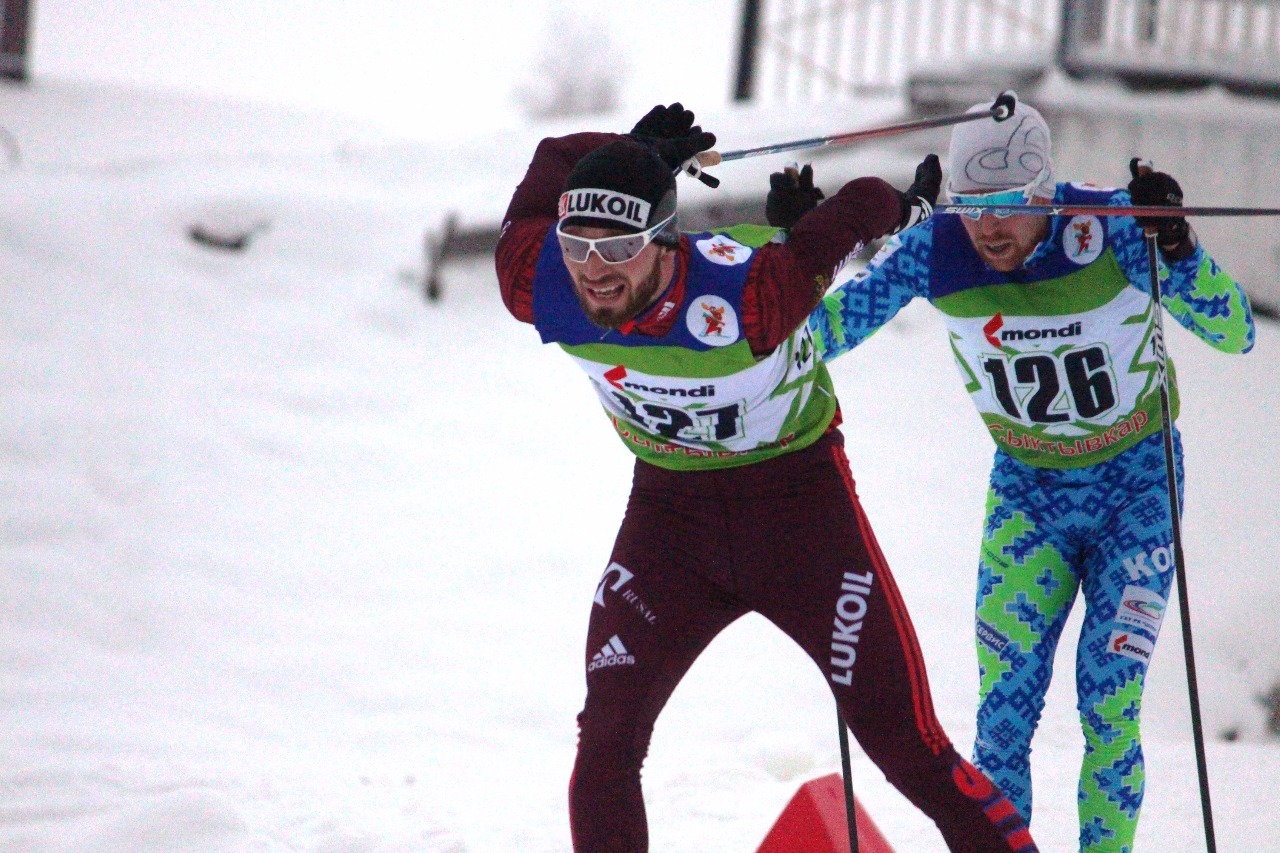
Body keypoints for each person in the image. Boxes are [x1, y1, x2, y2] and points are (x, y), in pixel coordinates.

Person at [495, 102, 1039, 853]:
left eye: (618, 247)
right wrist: (632, 151)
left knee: (906, 744)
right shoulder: (539, 281)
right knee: (608, 738)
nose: (594, 270)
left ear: (663, 241)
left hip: (798, 516)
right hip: (669, 523)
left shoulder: (752, 292)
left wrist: (907, 208)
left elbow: (852, 213)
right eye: (578, 245)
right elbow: (553, 152)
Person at [776, 100, 1256, 852]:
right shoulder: (937, 248)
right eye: (971, 205)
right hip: (1029, 493)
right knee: (1002, 716)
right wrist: (804, 255)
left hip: (1137, 488)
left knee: (1109, 704)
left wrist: (1178, 246)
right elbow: (811, 342)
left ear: (1045, 191)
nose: (989, 226)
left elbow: (1235, 332)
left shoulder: (1110, 229)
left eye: (1008, 204)